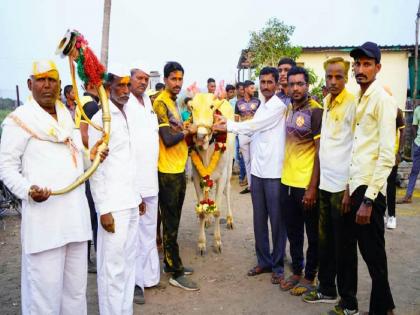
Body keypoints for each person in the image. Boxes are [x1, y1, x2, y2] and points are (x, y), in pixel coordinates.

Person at [0, 60, 106, 314]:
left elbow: (79, 159)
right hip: (44, 223)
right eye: (41, 80)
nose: (47, 85)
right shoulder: (19, 120)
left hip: (75, 221)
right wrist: (28, 190)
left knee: (75, 294)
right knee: (43, 297)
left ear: (59, 85)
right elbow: (6, 167)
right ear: (30, 84)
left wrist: (93, 155)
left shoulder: (67, 117)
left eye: (52, 80)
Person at [213, 67, 288, 285]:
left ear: (276, 84)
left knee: (277, 221)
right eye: (262, 82)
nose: (265, 86)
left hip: (275, 173)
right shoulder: (262, 106)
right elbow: (251, 132)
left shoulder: (278, 107)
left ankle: (278, 265)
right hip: (258, 171)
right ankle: (263, 261)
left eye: (269, 82)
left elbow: (254, 126)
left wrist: (228, 125)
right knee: (259, 220)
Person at [345, 41, 396, 315]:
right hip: (357, 186)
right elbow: (357, 148)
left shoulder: (383, 100)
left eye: (367, 64)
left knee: (374, 256)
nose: (360, 69)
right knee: (369, 254)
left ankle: (381, 311)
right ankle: (386, 308)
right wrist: (348, 189)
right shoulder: (360, 97)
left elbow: (387, 155)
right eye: (357, 64)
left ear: (378, 67)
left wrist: (368, 199)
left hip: (370, 192)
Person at [301, 58, 356, 308]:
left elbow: (356, 147)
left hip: (342, 189)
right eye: (330, 77)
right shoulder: (326, 101)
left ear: (346, 78)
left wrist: (348, 189)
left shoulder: (353, 104)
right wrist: (315, 184)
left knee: (343, 247)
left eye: (339, 77)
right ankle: (326, 289)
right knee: (325, 242)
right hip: (325, 184)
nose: (333, 82)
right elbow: (323, 146)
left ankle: (348, 302)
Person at [89, 64, 143, 314]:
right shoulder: (102, 119)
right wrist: (103, 209)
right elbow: (96, 169)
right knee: (112, 268)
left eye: (126, 85)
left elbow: (128, 160)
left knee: (128, 264)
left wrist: (138, 196)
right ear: (108, 88)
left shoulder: (127, 114)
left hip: (130, 201)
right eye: (118, 85)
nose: (124, 89)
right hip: (113, 206)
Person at [153, 61, 199, 291]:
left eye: (180, 79)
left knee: (174, 220)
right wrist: (187, 131)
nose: (178, 83)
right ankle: (175, 271)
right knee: (170, 221)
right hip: (167, 169)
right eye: (173, 79)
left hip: (178, 167)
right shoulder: (160, 102)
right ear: (165, 79)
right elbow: (168, 139)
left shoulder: (173, 102)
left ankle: (171, 262)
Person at [279, 66, 322, 296]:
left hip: (306, 186)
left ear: (307, 85)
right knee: (293, 231)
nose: (295, 88)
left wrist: (312, 187)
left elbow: (319, 152)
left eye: (300, 84)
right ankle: (297, 270)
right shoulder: (287, 109)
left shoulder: (315, 111)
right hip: (287, 182)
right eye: (291, 84)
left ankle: (309, 276)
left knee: (312, 233)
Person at [128, 64, 161, 305]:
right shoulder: (125, 105)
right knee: (135, 235)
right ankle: (135, 283)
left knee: (149, 231)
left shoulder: (148, 103)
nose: (143, 82)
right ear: (129, 80)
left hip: (152, 179)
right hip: (135, 182)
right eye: (139, 78)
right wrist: (134, 188)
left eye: (146, 79)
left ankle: (149, 277)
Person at [76, 82, 101, 273]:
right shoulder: (91, 105)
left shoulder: (84, 101)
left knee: (89, 212)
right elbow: (85, 134)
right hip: (90, 165)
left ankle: (87, 258)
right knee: (94, 214)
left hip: (84, 164)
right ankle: (94, 257)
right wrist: (97, 152)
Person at [235, 80, 260, 194]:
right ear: (245, 89)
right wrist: (237, 134)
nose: (253, 90)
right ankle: (250, 186)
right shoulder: (238, 103)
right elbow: (236, 120)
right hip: (243, 134)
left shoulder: (258, 102)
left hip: (255, 133)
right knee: (246, 161)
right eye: (251, 88)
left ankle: (257, 186)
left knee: (255, 160)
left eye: (253, 88)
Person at [385, 106, 405, 229]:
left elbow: (402, 131)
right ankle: (381, 213)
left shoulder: (396, 111)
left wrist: (399, 152)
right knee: (379, 186)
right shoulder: (378, 107)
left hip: (391, 155)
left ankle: (392, 216)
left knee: (390, 187)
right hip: (378, 155)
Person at [397, 105, 420, 204]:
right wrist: (415, 140)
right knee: (414, 171)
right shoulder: (417, 110)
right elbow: (414, 127)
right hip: (418, 145)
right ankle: (408, 196)